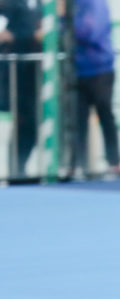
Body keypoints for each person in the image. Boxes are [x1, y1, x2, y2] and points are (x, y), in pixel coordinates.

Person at [72, 0, 120, 179]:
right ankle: (79, 165)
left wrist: (64, 20)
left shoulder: (95, 3)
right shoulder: (75, 5)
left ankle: (114, 162)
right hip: (79, 70)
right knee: (78, 120)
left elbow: (90, 32)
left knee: (105, 114)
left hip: (101, 69)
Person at [0, 0, 43, 177]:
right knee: (24, 121)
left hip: (33, 75)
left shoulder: (40, 5)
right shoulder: (10, 4)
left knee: (30, 124)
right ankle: (16, 170)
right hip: (13, 72)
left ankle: (19, 168)